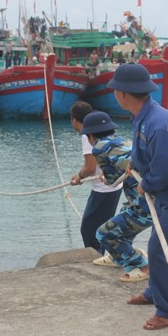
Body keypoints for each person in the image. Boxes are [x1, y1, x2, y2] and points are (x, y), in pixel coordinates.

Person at [107, 63, 168, 331]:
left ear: (123, 94)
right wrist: (135, 166)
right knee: (167, 247)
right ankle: (155, 292)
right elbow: (147, 154)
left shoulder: (159, 123)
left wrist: (146, 184)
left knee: (159, 249)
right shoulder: (143, 116)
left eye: (116, 90)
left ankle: (167, 311)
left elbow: (162, 171)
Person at [79, 111, 152, 282]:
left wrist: (105, 177)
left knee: (103, 233)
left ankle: (141, 265)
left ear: (90, 135)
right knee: (123, 211)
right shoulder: (124, 141)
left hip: (145, 206)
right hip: (152, 197)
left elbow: (112, 181)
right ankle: (116, 255)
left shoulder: (98, 148)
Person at [69, 101, 122, 256]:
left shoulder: (88, 135)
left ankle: (97, 257)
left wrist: (79, 177)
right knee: (102, 226)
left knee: (88, 229)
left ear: (74, 120)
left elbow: (90, 167)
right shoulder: (101, 129)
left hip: (103, 189)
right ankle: (103, 254)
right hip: (113, 186)